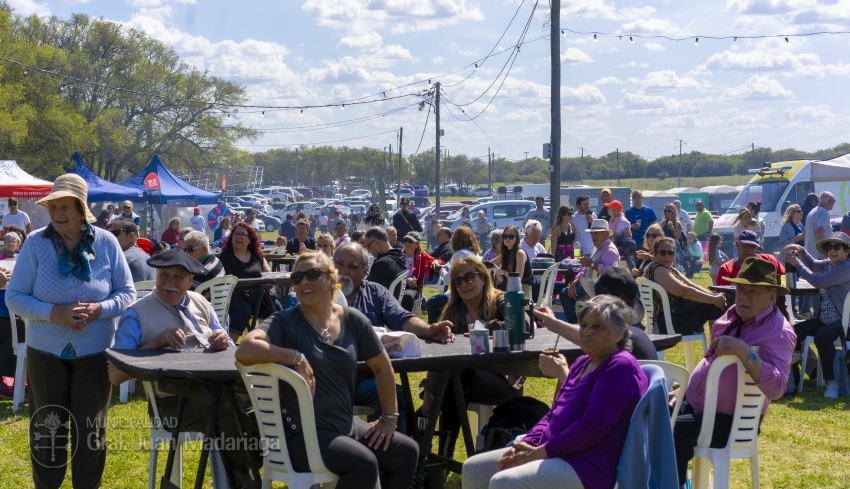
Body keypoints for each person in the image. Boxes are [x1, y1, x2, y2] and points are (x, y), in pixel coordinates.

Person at [235, 251, 420, 489]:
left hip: (344, 427)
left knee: (406, 452)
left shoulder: (353, 320)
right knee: (363, 463)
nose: (304, 282)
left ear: (332, 280)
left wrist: (388, 419)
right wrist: (295, 357)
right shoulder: (285, 321)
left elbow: (382, 367)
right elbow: (245, 349)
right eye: (297, 278)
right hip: (300, 437)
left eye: (312, 275)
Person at [6, 174, 135, 488]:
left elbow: (127, 293)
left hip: (95, 353)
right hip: (45, 353)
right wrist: (55, 313)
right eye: (53, 207)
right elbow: (14, 296)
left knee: (91, 431)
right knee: (47, 431)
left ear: (81, 209)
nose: (57, 213)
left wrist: (99, 309)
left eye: (65, 206)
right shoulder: (35, 243)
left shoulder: (106, 243)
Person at [107, 249, 261, 488]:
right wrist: (154, 345)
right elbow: (115, 375)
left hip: (219, 391)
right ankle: (244, 480)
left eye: (177, 277)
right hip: (172, 404)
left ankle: (249, 474)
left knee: (262, 408)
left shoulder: (201, 303)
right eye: (164, 275)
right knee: (232, 411)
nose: (168, 283)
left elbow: (229, 347)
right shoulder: (136, 314)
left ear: (191, 281)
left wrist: (223, 341)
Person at [462, 294, 649, 489]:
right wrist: (527, 444)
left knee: (504, 482)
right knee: (474, 469)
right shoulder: (583, 362)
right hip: (553, 451)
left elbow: (592, 428)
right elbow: (554, 413)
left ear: (620, 334)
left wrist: (538, 453)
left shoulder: (620, 366)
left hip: (587, 465)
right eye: (584, 325)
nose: (587, 332)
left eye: (598, 327)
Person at [673, 257, 795, 486]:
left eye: (753, 291)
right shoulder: (732, 315)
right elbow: (710, 361)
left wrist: (744, 351)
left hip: (731, 422)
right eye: (740, 290)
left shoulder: (779, 331)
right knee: (648, 412)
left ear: (772, 296)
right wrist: (685, 390)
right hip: (700, 409)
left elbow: (778, 388)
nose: (744, 297)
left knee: (670, 431)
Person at [422, 258, 526, 457]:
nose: (464, 284)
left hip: (505, 381)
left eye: (469, 277)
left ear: (484, 278)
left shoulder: (501, 300)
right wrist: (429, 389)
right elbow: (439, 352)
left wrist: (484, 327)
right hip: (463, 382)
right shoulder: (453, 311)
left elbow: (522, 323)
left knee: (461, 376)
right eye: (458, 281)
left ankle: (438, 453)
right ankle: (440, 456)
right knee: (457, 381)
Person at [534, 267, 659, 385]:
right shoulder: (634, 335)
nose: (587, 333)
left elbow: (589, 398)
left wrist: (562, 373)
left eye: (597, 327)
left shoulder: (618, 354)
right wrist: (553, 322)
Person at [785, 233, 850, 398]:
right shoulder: (829, 264)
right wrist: (801, 251)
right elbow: (814, 264)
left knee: (822, 336)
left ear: (847, 251)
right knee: (791, 333)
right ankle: (792, 378)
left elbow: (818, 281)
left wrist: (796, 263)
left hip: (843, 322)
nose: (832, 250)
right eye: (829, 247)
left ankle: (832, 381)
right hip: (823, 319)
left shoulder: (846, 267)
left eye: (837, 247)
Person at [642, 237, 726, 336]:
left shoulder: (670, 269)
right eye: (663, 252)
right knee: (714, 306)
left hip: (671, 318)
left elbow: (692, 285)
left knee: (715, 303)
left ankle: (717, 341)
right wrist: (713, 300)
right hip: (667, 323)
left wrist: (714, 296)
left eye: (671, 252)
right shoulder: (658, 270)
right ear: (655, 254)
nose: (667, 255)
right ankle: (717, 343)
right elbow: (684, 292)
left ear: (675, 255)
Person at [219, 222, 273, 342]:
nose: (239, 237)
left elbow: (268, 274)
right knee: (244, 310)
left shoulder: (257, 255)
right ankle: (228, 343)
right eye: (236, 234)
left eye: (243, 235)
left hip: (259, 297)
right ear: (231, 237)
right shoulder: (225, 256)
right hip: (235, 296)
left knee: (274, 306)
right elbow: (224, 281)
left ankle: (268, 343)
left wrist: (268, 286)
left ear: (250, 240)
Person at [559, 219, 620, 323]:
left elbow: (609, 272)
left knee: (564, 293)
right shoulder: (598, 248)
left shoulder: (609, 249)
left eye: (596, 233)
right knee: (567, 291)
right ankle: (580, 322)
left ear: (606, 234)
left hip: (600, 290)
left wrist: (591, 264)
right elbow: (585, 269)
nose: (593, 236)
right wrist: (575, 282)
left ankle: (576, 324)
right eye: (592, 233)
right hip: (591, 287)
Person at [716, 230, 784, 287]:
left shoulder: (770, 261)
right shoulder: (726, 269)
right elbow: (722, 295)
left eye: (752, 246)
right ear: (737, 245)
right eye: (745, 245)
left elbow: (784, 282)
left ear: (757, 247)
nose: (748, 249)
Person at [364, 226, 408, 297]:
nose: (368, 251)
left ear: (377, 243)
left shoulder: (382, 264)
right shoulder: (400, 257)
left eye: (368, 247)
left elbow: (369, 294)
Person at [491, 224, 531, 295]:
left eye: (511, 236)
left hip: (521, 290)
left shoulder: (520, 253)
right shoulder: (506, 253)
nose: (507, 239)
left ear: (517, 238)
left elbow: (517, 279)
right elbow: (489, 264)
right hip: (509, 287)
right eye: (505, 236)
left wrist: (503, 272)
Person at [804, 190, 835, 259]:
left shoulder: (812, 212)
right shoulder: (824, 213)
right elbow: (819, 232)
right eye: (834, 201)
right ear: (830, 201)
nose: (833, 203)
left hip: (810, 255)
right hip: (819, 257)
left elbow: (805, 233)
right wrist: (823, 251)